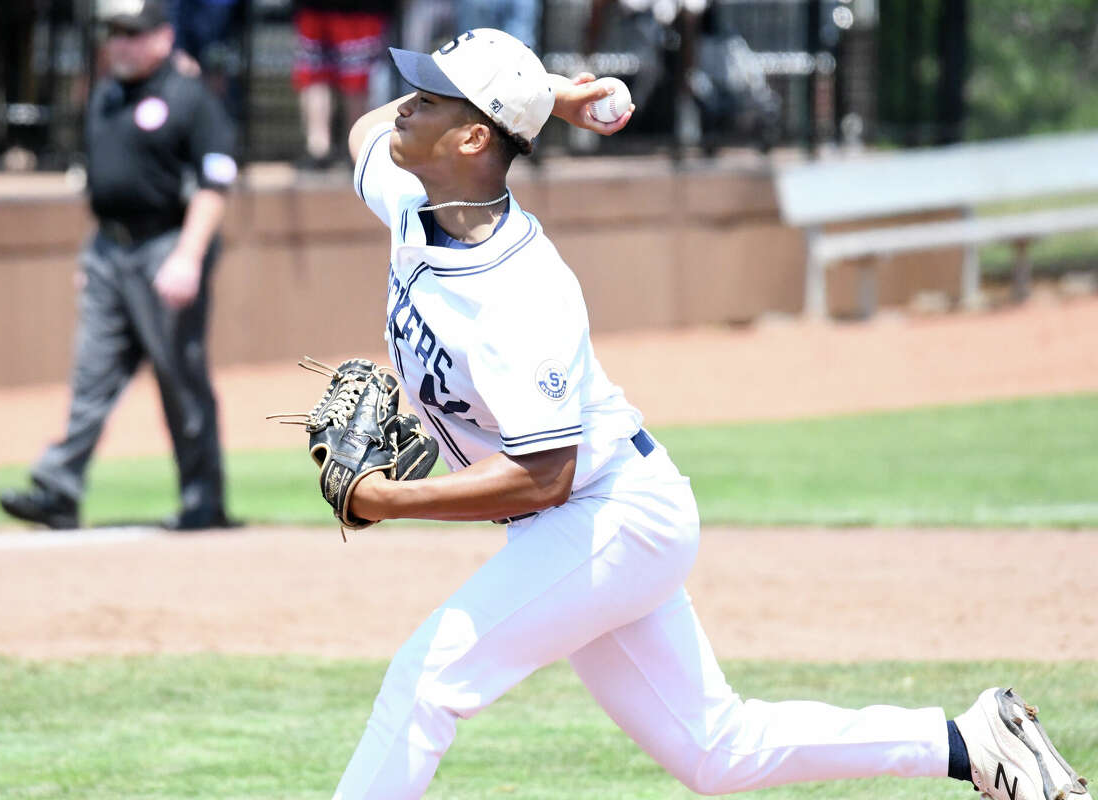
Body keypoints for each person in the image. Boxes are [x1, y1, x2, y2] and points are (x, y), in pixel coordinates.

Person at [331, 28, 1094, 800]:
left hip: (612, 517)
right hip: (586, 521)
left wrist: (386, 500)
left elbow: (545, 477)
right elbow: (366, 132)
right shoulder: (414, 198)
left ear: (468, 138)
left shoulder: (521, 293)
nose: (401, 107)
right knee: (718, 752)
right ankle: (968, 743)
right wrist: (544, 96)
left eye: (427, 99)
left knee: (425, 684)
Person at [0, 0, 236, 532]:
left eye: (134, 33)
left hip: (166, 245)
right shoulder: (105, 94)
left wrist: (188, 256)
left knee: (181, 378)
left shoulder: (190, 96)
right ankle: (59, 488)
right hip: (107, 251)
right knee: (91, 374)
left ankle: (204, 498)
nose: (122, 44)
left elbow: (215, 185)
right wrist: (95, 253)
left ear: (163, 38)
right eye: (116, 34)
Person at [291, 0, 397, 169]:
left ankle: (350, 148)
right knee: (318, 78)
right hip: (320, 10)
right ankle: (324, 149)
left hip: (360, 11)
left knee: (354, 82)